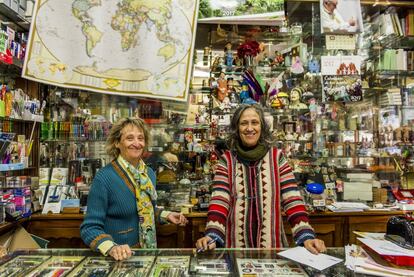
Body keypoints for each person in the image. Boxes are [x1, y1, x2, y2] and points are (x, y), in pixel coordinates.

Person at [196, 104, 326, 254]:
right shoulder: (227, 160)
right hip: (235, 249)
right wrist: (212, 235)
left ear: (262, 127)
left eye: (255, 122)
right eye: (244, 123)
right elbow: (219, 201)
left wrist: (306, 236)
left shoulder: (277, 158)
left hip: (272, 250)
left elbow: (292, 200)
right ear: (236, 128)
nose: (249, 128)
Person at [81, 117, 188, 261]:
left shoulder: (148, 173)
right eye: (130, 138)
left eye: (140, 138)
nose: (136, 143)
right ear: (117, 143)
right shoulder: (104, 177)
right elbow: (89, 228)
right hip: (119, 260)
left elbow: (143, 209)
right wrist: (112, 247)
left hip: (146, 256)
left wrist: (165, 215)